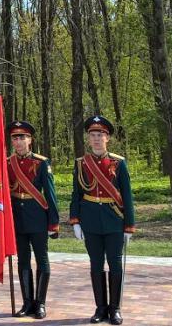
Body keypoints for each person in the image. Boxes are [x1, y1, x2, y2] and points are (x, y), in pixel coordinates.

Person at [69, 116, 135, 325]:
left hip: (114, 219)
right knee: (96, 264)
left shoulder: (118, 162)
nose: (96, 139)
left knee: (115, 264)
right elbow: (76, 194)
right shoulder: (81, 164)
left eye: (100, 135)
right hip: (90, 220)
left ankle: (115, 309)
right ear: (88, 139)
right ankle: (100, 308)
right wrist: (75, 221)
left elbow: (127, 195)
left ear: (107, 138)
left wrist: (129, 226)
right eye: (93, 135)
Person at [6, 120, 60, 319]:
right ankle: (27, 302)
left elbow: (51, 194)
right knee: (23, 261)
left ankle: (40, 303)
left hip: (37, 216)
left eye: (22, 137)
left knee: (41, 259)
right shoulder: (7, 163)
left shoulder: (41, 162)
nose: (19, 141)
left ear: (30, 140)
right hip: (17, 220)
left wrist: (53, 222)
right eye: (15, 138)